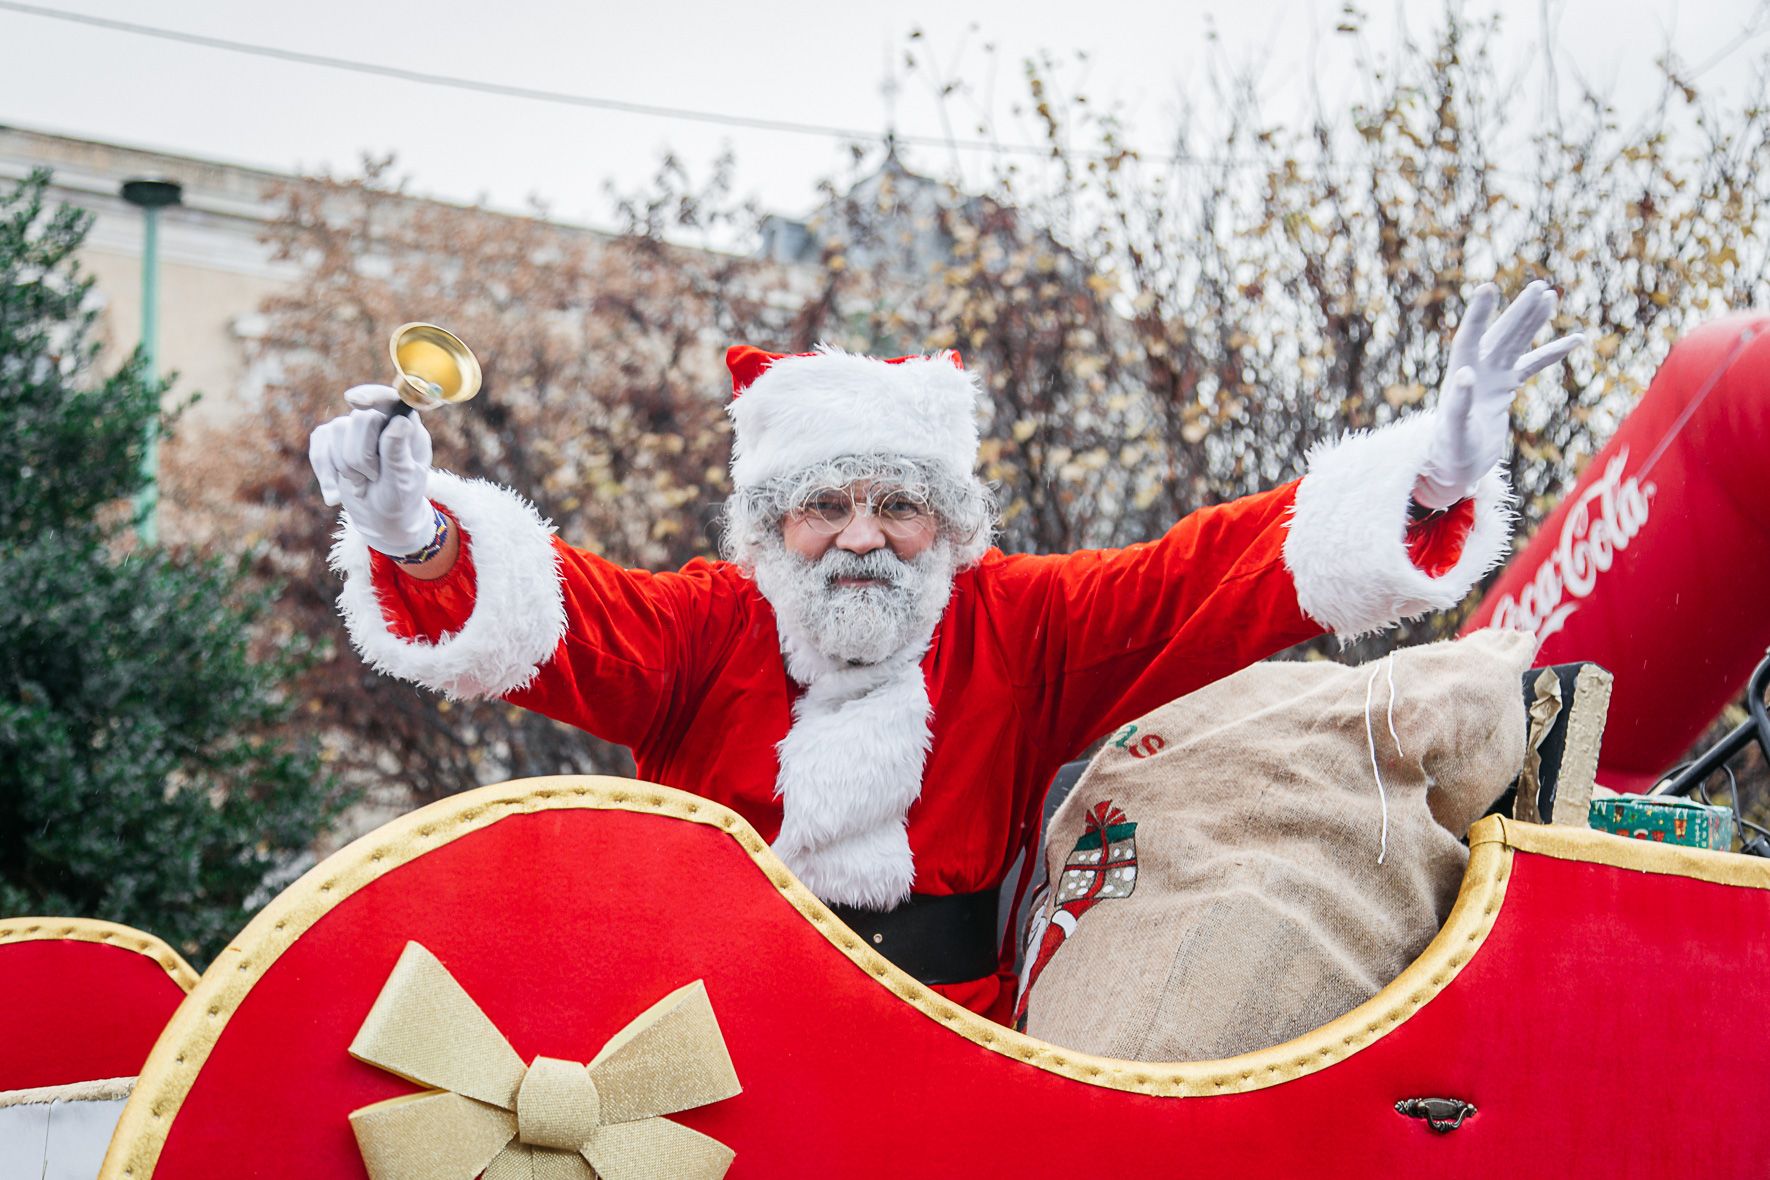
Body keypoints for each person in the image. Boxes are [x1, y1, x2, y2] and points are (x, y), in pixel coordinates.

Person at [308, 280, 1580, 1023]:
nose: (862, 539)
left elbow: (1208, 578)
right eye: (827, 506)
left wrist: (1424, 479)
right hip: (706, 1045)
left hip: (956, 1064)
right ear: (772, 526)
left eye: (898, 504)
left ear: (948, 524)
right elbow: (563, 624)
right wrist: (419, 539)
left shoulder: (1022, 623)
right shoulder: (707, 626)